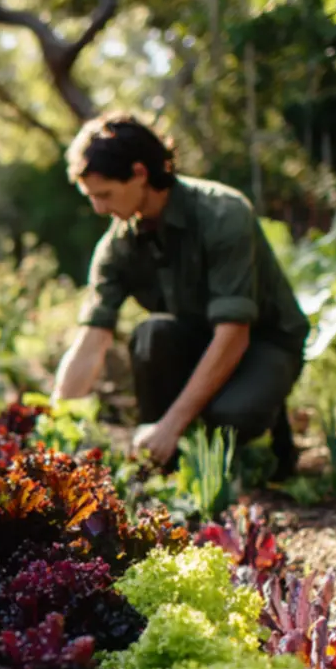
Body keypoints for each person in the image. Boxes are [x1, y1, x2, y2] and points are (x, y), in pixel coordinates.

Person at [50, 111, 310, 479]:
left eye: (105, 194)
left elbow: (234, 335)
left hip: (264, 342)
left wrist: (173, 424)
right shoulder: (118, 246)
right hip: (198, 337)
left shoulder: (222, 213)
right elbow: (92, 340)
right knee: (151, 334)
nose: (99, 208)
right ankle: (163, 465)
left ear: (140, 173)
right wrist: (53, 429)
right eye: (91, 197)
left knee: (228, 417)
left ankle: (266, 436)